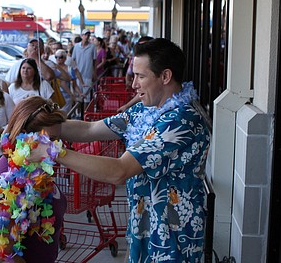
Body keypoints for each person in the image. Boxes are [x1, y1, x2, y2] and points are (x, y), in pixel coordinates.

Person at [30, 38, 210, 262]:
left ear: (165, 76)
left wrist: (52, 152)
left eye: (141, 76)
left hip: (172, 235)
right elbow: (91, 129)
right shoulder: (146, 108)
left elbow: (119, 170)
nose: (133, 85)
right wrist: (37, 126)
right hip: (144, 224)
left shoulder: (182, 120)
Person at [0, 96, 68, 263]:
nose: (58, 147)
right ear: (25, 136)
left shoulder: (33, 165)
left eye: (58, 139)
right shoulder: (8, 185)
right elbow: (1, 255)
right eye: (50, 140)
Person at [71, 29, 96, 106]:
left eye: (88, 35)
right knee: (78, 96)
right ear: (82, 36)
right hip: (78, 75)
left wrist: (94, 73)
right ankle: (78, 114)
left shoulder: (92, 47)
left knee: (87, 98)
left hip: (88, 75)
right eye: (85, 35)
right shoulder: (76, 47)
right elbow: (73, 60)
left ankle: (84, 116)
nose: (87, 36)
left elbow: (95, 60)